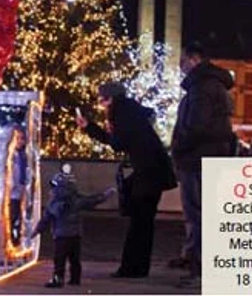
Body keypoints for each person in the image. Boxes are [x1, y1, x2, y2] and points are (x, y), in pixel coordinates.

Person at [76, 82, 177, 279]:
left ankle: (132, 268)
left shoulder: (121, 113)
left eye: (102, 99)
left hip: (148, 172)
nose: (101, 103)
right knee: (143, 221)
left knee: (139, 221)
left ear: (110, 98)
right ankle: (137, 267)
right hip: (153, 170)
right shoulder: (130, 110)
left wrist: (93, 128)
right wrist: (90, 128)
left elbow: (117, 144)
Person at [170, 41, 234, 288]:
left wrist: (179, 148)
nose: (181, 66)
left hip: (197, 159)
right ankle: (199, 265)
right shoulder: (210, 85)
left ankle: (201, 271)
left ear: (194, 59)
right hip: (207, 158)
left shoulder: (202, 87)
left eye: (183, 60)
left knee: (198, 215)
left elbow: (196, 126)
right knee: (203, 214)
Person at [31, 165, 115, 288]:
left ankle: (58, 279)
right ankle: (75, 278)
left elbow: (45, 220)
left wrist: (36, 231)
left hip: (61, 236)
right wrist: (105, 195)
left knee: (59, 260)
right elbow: (92, 201)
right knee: (74, 259)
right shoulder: (76, 200)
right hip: (75, 235)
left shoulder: (53, 205)